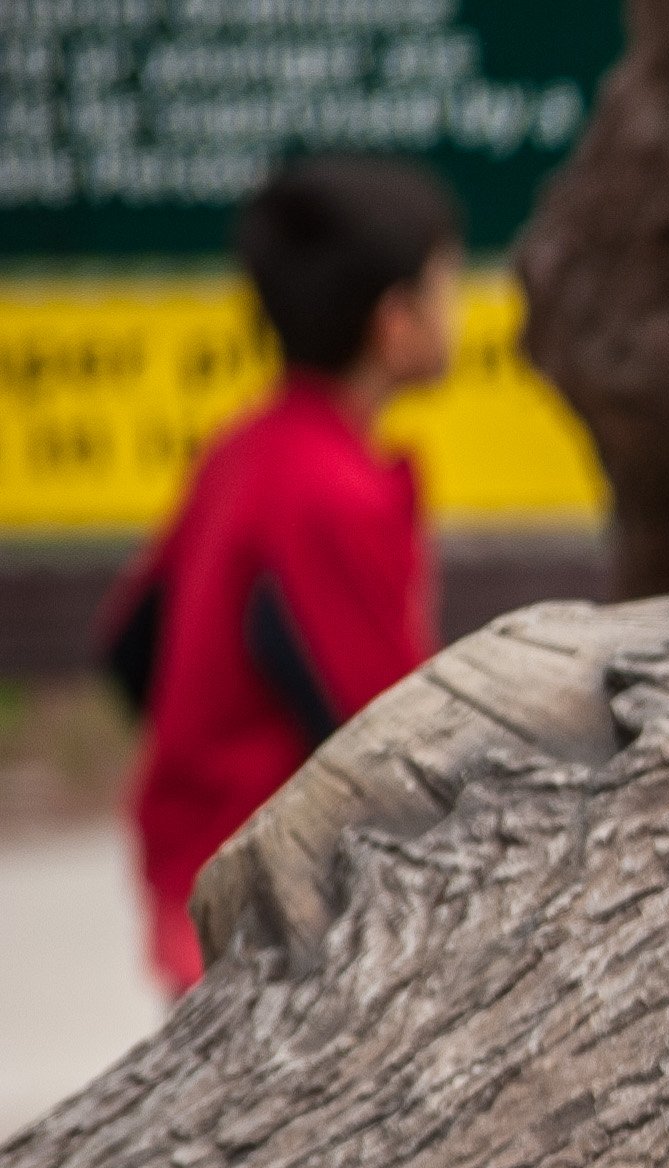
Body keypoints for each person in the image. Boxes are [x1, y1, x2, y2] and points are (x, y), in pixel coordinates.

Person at [103, 155, 459, 994]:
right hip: (277, 919)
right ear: (396, 322)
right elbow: (386, 739)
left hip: (193, 881)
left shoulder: (244, 451)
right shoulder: (333, 495)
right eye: (445, 286)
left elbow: (129, 647)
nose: (458, 310)